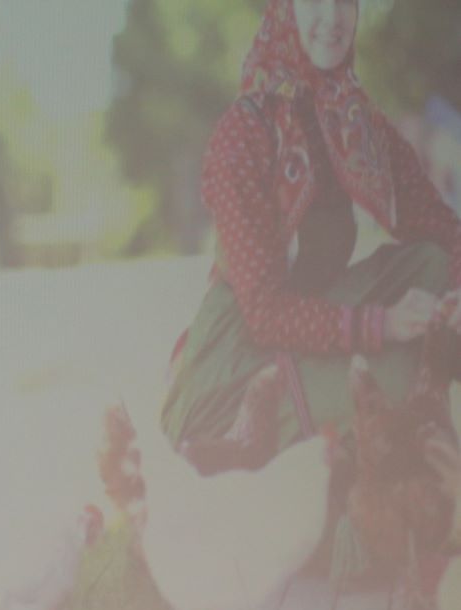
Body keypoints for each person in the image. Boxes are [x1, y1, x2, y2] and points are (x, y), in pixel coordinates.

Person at [161, 0, 461, 473]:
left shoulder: (352, 115)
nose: (332, 18)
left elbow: (439, 224)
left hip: (325, 321)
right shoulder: (243, 134)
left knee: (435, 264)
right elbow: (265, 313)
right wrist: (382, 325)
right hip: (241, 362)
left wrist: (454, 297)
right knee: (398, 371)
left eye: (344, 1)